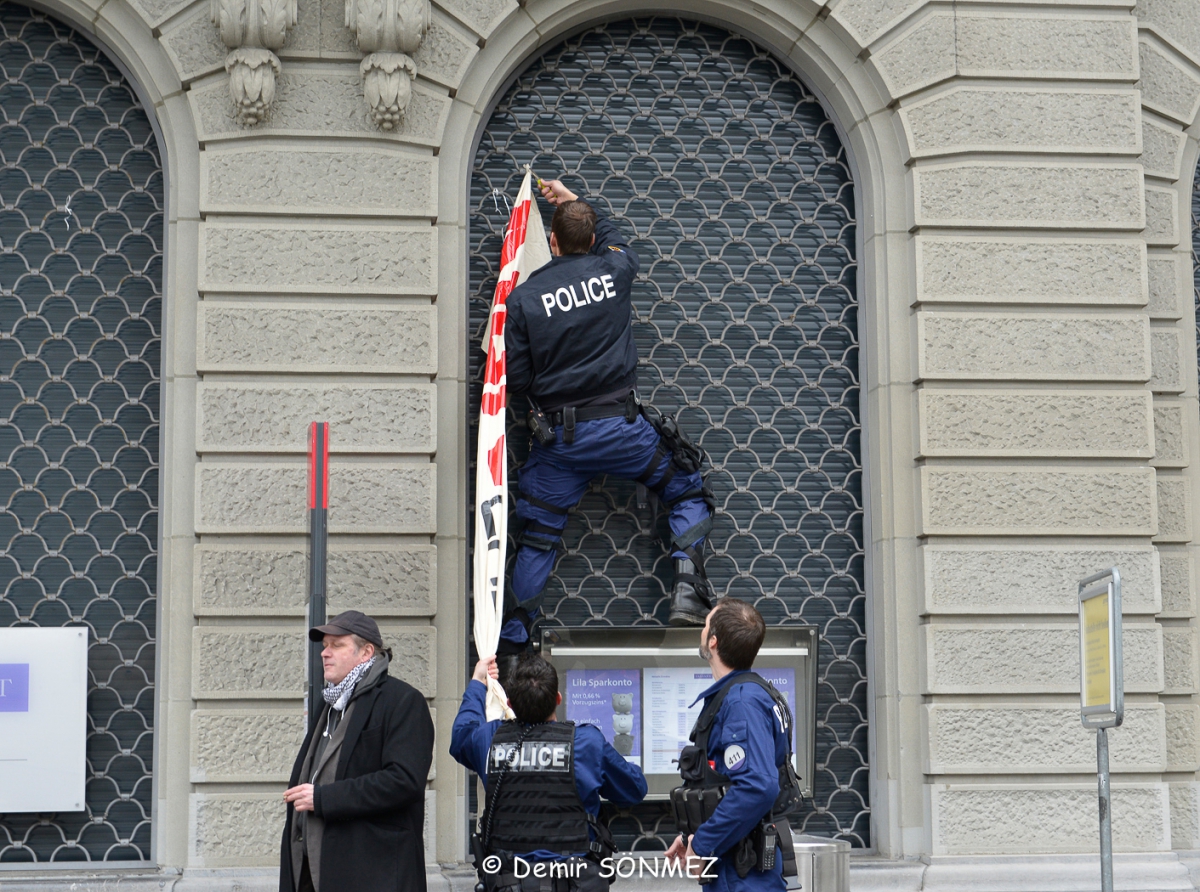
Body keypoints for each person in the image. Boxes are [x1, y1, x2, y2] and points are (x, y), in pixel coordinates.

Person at [500, 179, 715, 644]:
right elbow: (615, 236)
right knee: (685, 488)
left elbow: (514, 381)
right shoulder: (614, 269)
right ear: (591, 239)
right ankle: (687, 594)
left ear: (552, 243)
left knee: (538, 536)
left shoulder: (524, 300)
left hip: (561, 444)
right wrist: (574, 199)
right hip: (624, 433)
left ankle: (515, 639)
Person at [450, 652, 648, 892]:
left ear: (509, 704)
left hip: (509, 883)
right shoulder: (586, 743)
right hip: (575, 882)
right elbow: (635, 789)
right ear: (558, 698)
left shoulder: (489, 738)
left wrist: (477, 684)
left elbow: (461, 736)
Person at [279, 610, 435, 892]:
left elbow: (404, 781)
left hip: (373, 874)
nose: (325, 653)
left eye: (337, 645)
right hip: (312, 872)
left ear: (366, 653)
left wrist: (324, 798)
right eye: (324, 646)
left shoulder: (402, 700)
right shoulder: (330, 703)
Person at [665, 599, 796, 892]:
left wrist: (703, 843)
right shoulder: (749, 693)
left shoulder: (741, 702)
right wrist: (692, 839)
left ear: (713, 641)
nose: (701, 631)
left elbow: (757, 786)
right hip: (737, 864)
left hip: (742, 873)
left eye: (705, 624)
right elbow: (722, 783)